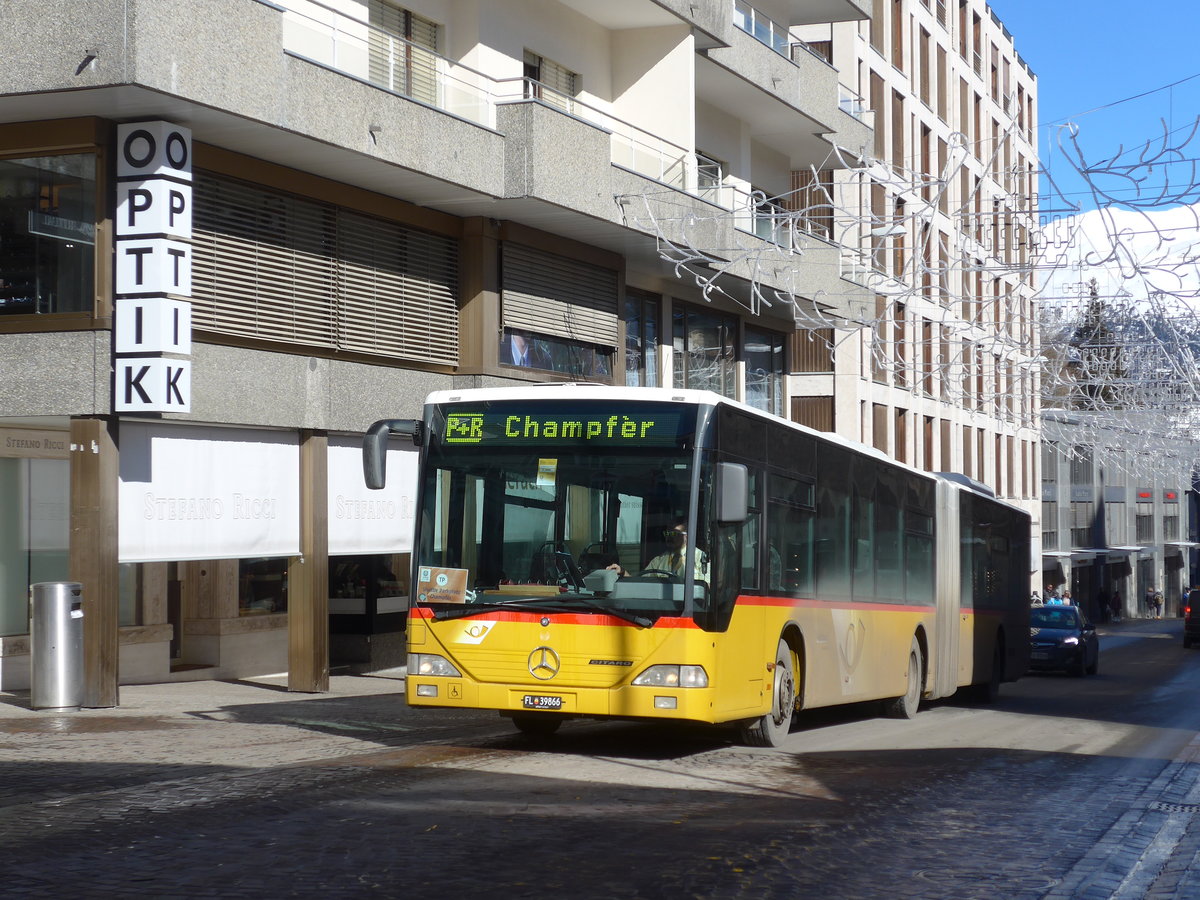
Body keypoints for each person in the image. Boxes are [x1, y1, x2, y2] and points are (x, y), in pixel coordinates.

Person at [610, 523, 709, 582]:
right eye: (667, 533)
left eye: (674, 533)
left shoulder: (702, 558)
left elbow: (707, 588)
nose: (669, 537)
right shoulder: (658, 561)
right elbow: (639, 583)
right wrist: (623, 572)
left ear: (687, 536)